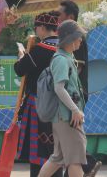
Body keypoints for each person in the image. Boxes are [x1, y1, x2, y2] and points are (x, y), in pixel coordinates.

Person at [37, 20, 88, 177]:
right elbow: (59, 89)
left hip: (63, 117)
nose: (81, 40)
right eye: (79, 36)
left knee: (57, 158)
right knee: (75, 160)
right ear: (71, 38)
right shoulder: (61, 60)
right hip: (67, 117)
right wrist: (74, 109)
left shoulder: (66, 57)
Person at [57, 1, 101, 177]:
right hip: (71, 93)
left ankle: (87, 163)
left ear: (70, 17)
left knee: (71, 135)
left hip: (75, 94)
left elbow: (77, 67)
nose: (56, 17)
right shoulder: (66, 38)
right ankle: (85, 164)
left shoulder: (76, 39)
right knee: (67, 139)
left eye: (59, 14)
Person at [14, 11, 60, 177]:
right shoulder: (66, 49)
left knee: (39, 154)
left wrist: (22, 56)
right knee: (57, 150)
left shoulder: (39, 50)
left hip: (38, 106)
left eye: (36, 27)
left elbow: (19, 70)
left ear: (41, 28)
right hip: (61, 106)